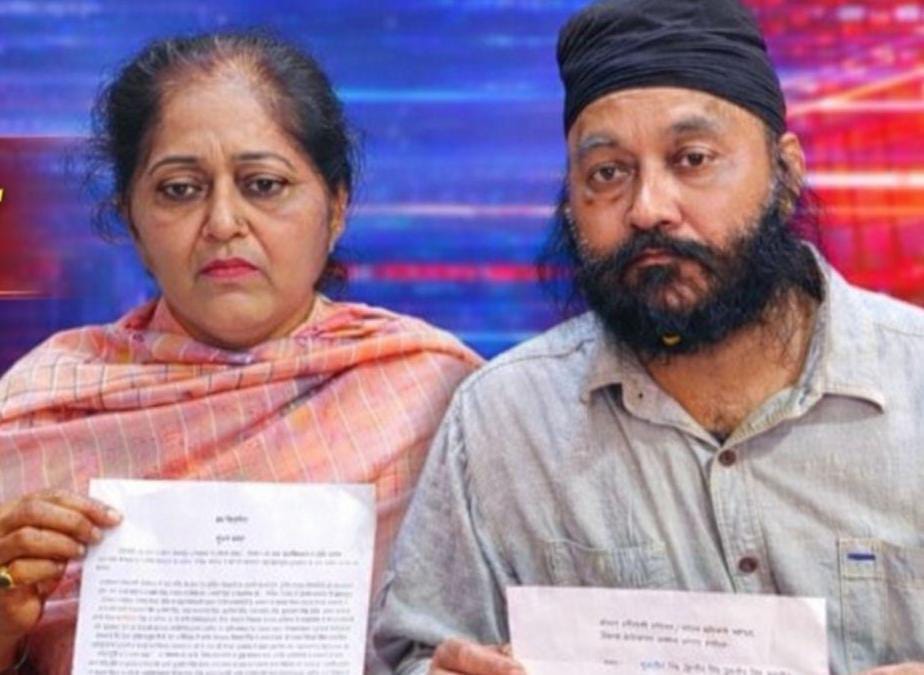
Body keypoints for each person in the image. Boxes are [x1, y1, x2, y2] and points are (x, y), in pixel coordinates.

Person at [372, 1, 924, 673]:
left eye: (692, 159)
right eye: (608, 172)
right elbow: (418, 649)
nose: (648, 209)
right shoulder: (505, 420)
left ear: (785, 175)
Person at [0, 33, 481, 674]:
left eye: (263, 184)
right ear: (133, 223)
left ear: (336, 207)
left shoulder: (437, 397)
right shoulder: (40, 410)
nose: (224, 221)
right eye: (179, 190)